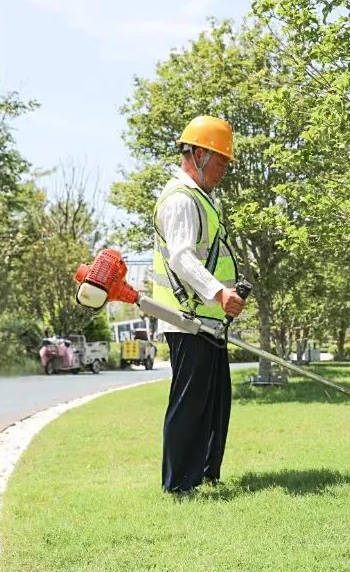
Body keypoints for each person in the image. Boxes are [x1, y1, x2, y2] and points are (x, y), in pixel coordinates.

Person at [151, 115, 245, 495]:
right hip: (187, 319)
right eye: (221, 161)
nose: (224, 170)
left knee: (215, 403)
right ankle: (178, 485)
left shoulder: (202, 199)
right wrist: (219, 293)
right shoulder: (181, 200)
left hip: (207, 320)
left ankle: (206, 474)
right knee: (189, 404)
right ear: (200, 155)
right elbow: (181, 258)